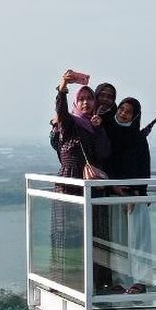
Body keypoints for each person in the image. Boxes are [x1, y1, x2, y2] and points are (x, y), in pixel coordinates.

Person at [51, 70, 111, 288]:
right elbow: (60, 108)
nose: (85, 103)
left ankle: (94, 281)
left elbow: (104, 153)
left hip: (90, 182)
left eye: (89, 99)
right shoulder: (68, 122)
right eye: (82, 99)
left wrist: (99, 129)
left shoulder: (95, 125)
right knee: (66, 231)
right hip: (69, 180)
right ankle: (65, 279)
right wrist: (64, 85)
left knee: (93, 232)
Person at [105, 97, 152, 293]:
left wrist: (135, 193)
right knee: (118, 239)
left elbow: (143, 168)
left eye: (128, 112)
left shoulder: (138, 138)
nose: (123, 113)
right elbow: (107, 164)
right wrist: (116, 188)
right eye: (121, 109)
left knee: (139, 240)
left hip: (135, 196)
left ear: (135, 116)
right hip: (116, 194)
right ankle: (120, 281)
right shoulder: (109, 133)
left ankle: (141, 281)